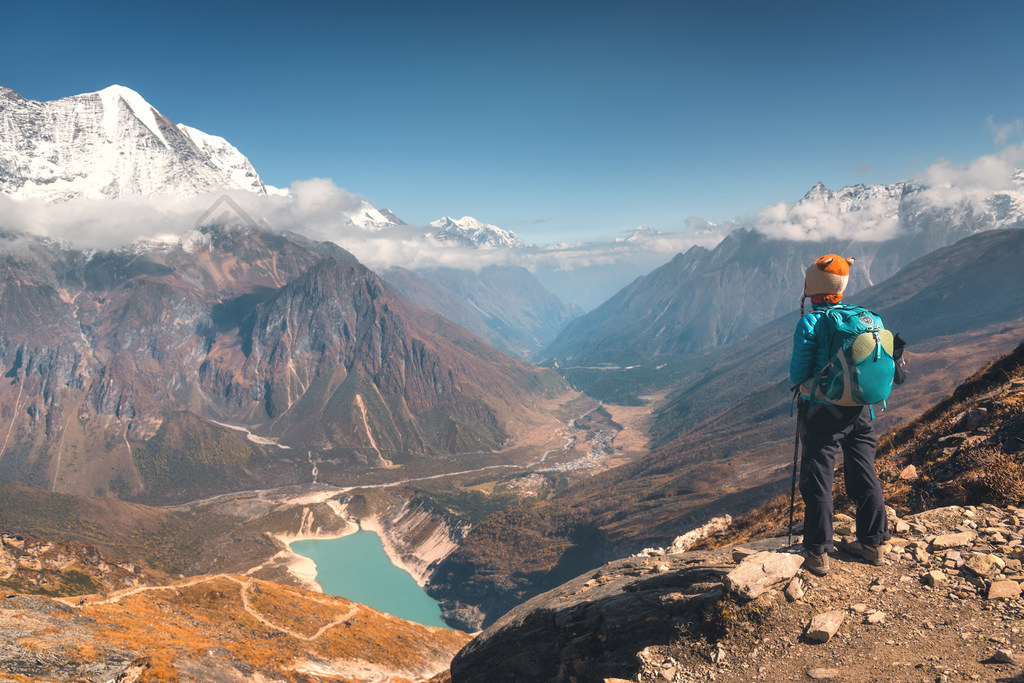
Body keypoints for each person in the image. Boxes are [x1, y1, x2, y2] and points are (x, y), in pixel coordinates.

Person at [789, 254, 890, 576]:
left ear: (812, 289)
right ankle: (873, 544)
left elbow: (798, 372)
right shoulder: (867, 318)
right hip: (860, 408)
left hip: (822, 410)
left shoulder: (812, 321)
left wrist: (805, 385)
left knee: (819, 477)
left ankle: (817, 552)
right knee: (864, 473)